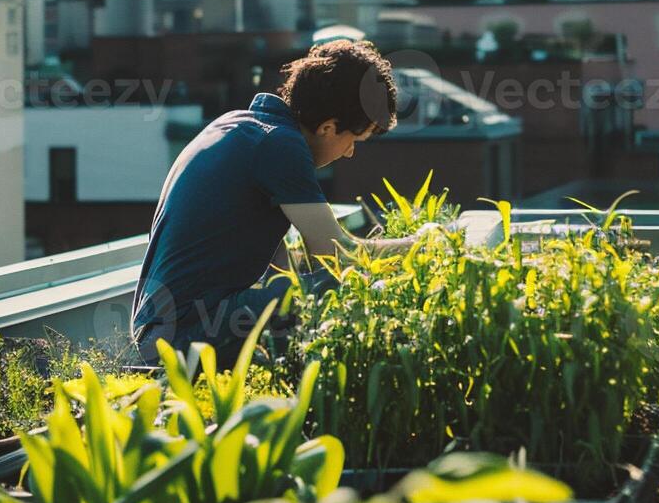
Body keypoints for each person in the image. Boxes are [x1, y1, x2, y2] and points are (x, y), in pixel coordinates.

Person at [130, 40, 440, 363]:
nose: (350, 153)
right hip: (181, 336)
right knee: (333, 289)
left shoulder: (240, 125)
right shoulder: (279, 145)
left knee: (302, 290)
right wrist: (422, 244)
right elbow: (338, 257)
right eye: (354, 141)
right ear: (328, 128)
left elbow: (289, 261)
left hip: (160, 331)